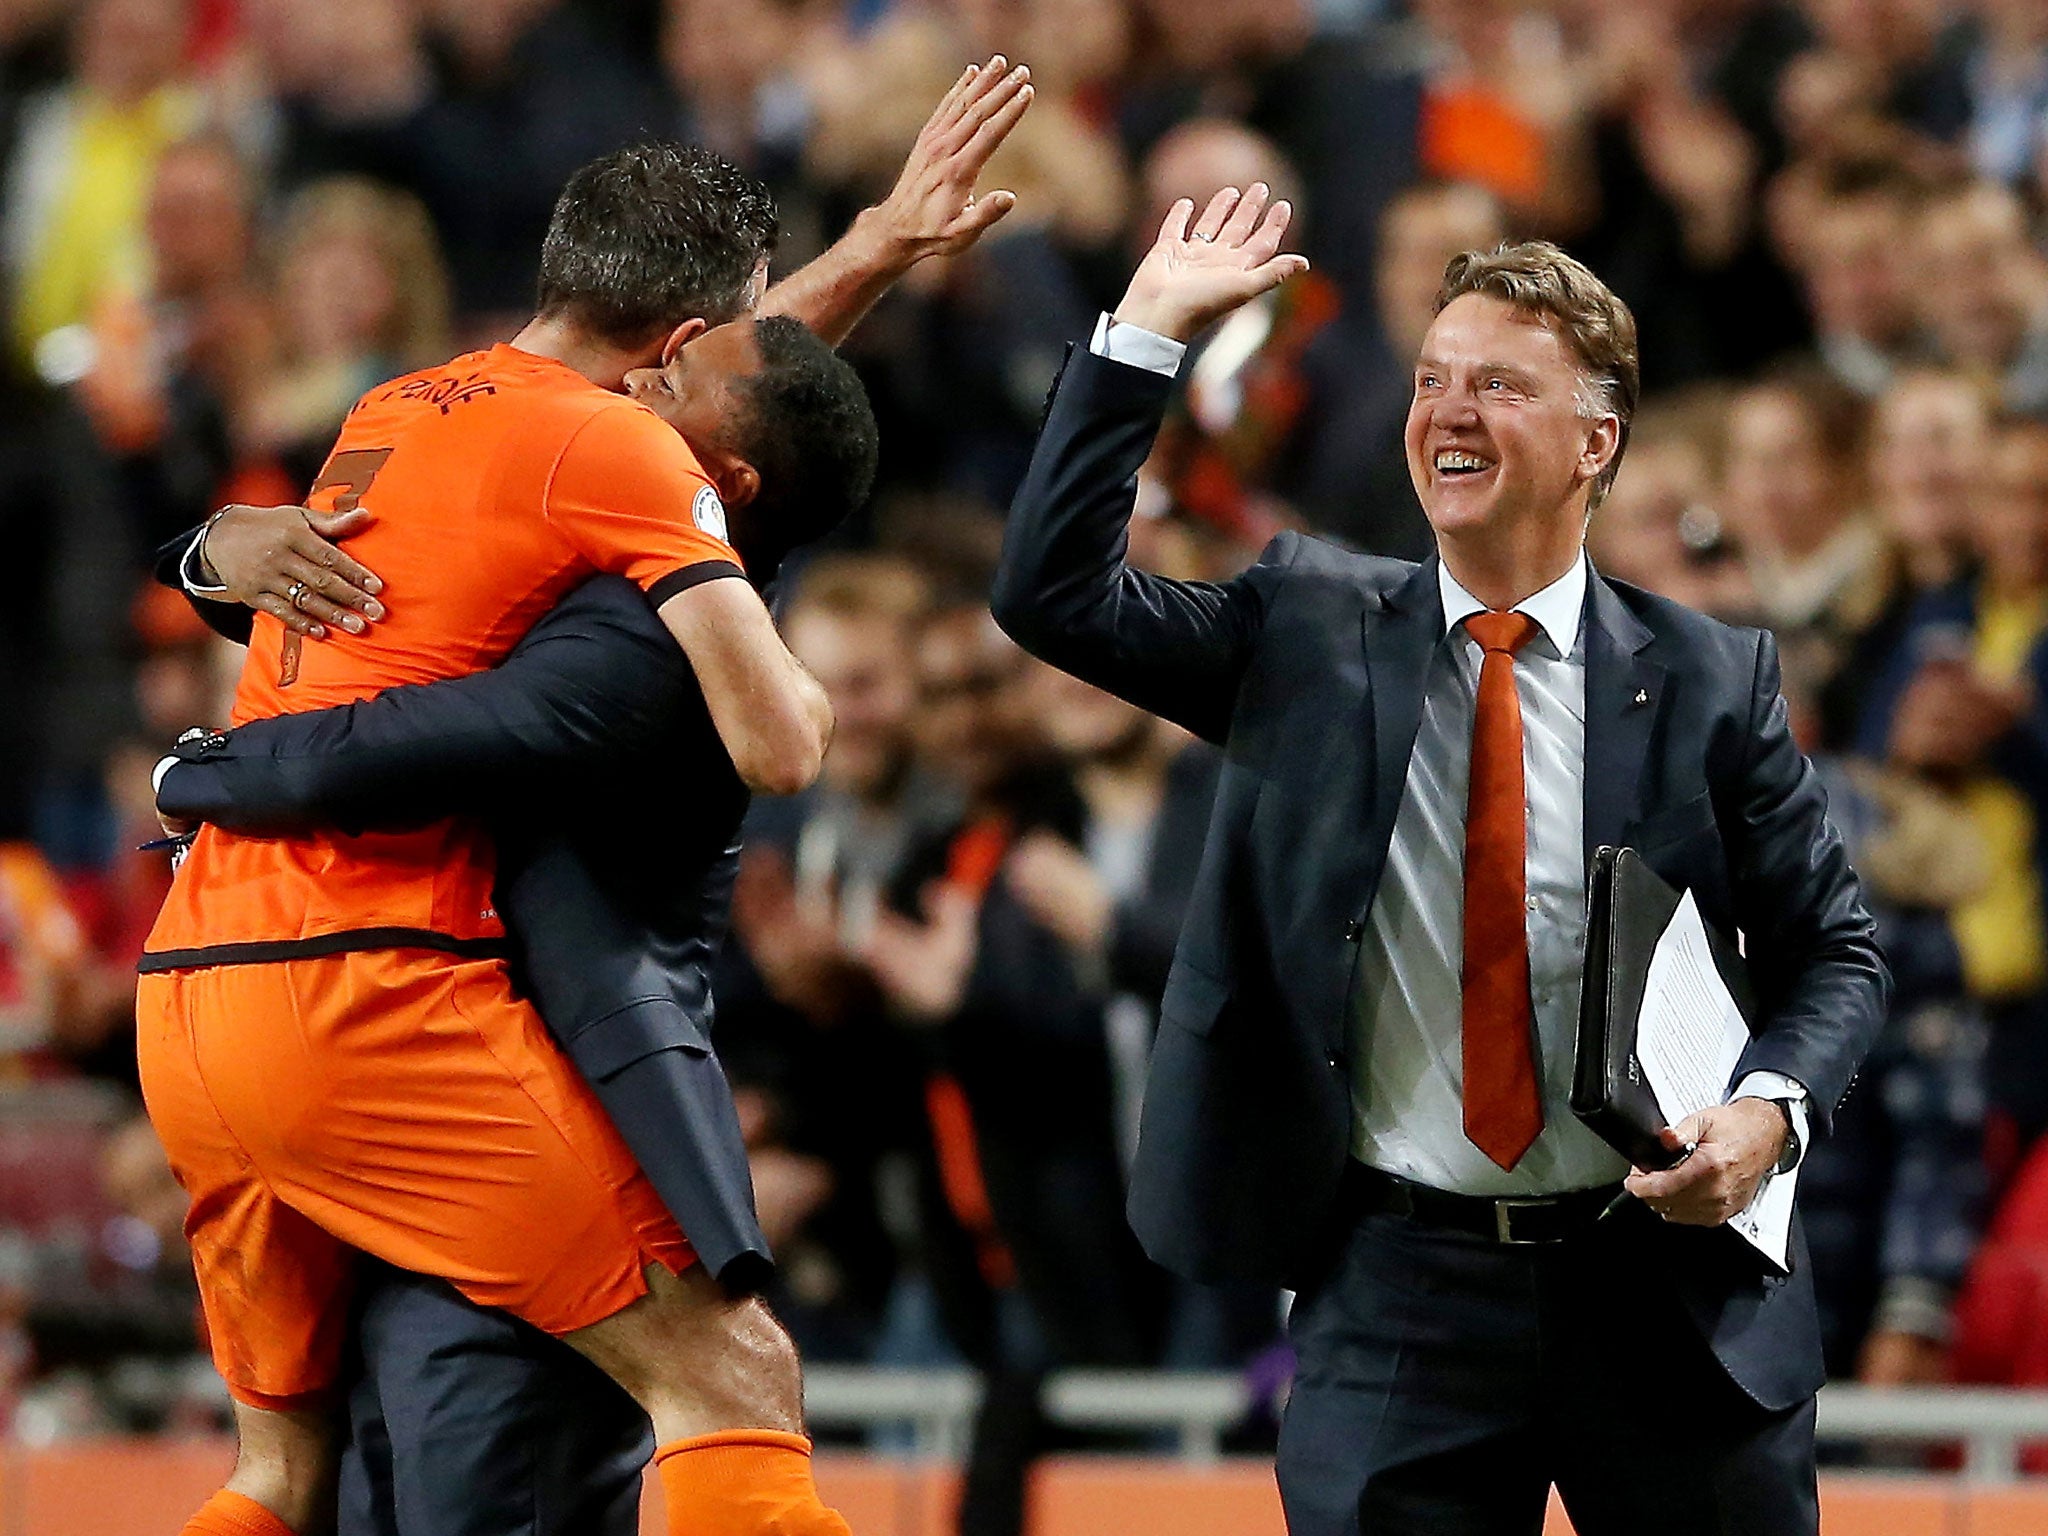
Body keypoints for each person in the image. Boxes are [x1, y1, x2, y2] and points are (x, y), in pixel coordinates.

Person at [139, 61, 1034, 1536]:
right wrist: (807, 680)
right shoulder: (618, 445)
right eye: (737, 318)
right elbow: (779, 732)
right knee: (732, 1379)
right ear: (677, 340)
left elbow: (715, 419)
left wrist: (869, 251)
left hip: (189, 991)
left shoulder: (398, 403)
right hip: (368, 991)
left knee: (273, 1478)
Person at [990, 186, 1887, 1535]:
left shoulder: (1713, 679)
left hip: (1661, 1283)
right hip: (1397, 1288)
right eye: (1431, 380)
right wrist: (1146, 339)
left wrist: (1765, 1117)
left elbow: (1835, 949)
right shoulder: (1302, 624)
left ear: (1600, 439)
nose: (1449, 411)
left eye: (1501, 386)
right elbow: (1050, 595)